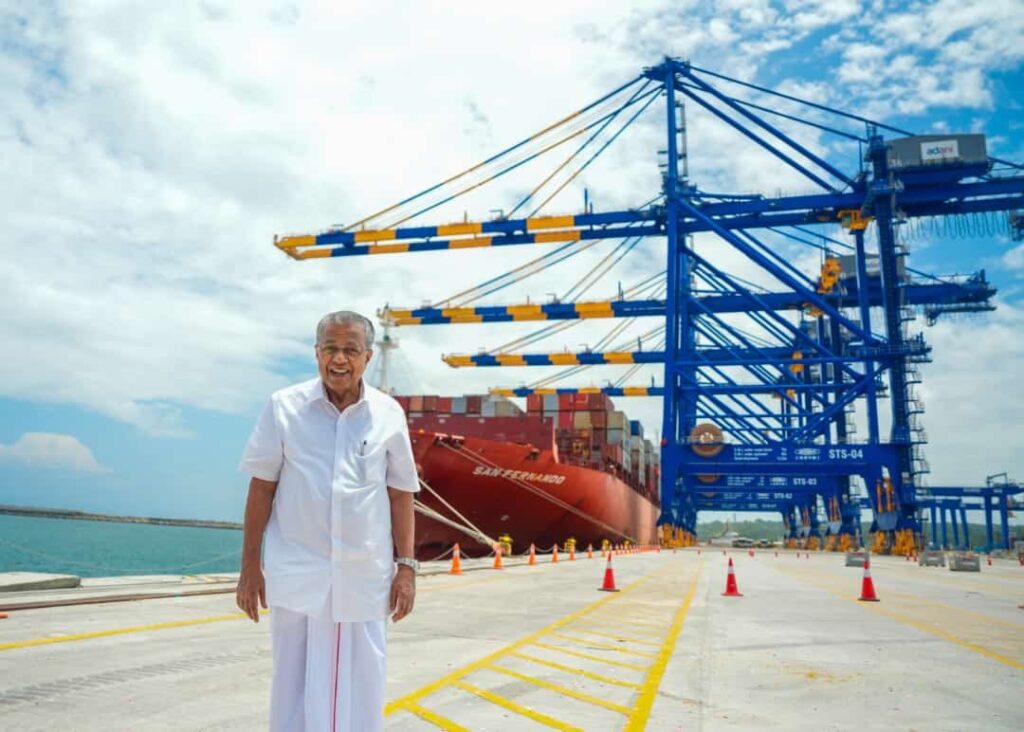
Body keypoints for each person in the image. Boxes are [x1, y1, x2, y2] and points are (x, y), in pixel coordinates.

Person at [236, 310, 419, 732]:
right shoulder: (283, 408)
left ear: (367, 357)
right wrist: (249, 567)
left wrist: (406, 569)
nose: (340, 359)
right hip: (298, 574)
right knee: (291, 685)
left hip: (363, 578)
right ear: (316, 354)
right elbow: (261, 488)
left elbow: (401, 494)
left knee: (363, 687)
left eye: (350, 350)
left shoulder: (389, 414)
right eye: (331, 349)